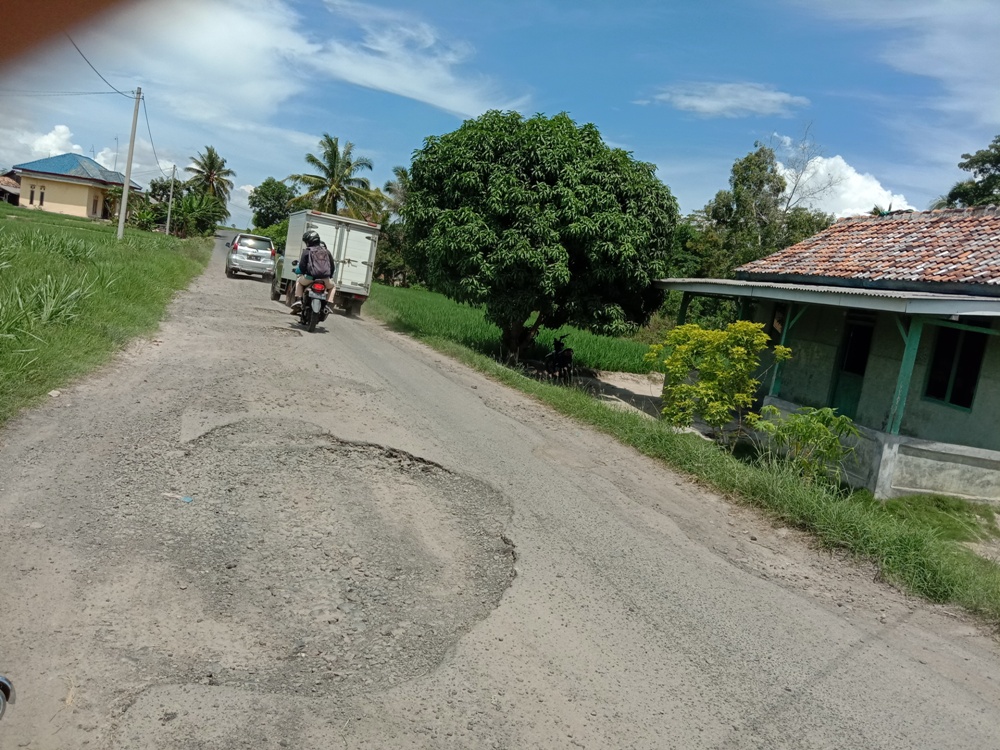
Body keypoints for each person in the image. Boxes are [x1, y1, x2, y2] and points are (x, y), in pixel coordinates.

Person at [290, 229, 336, 314]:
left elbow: (302, 266)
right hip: (324, 279)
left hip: (310, 277)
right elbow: (332, 267)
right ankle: (328, 304)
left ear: (308, 241)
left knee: (299, 282)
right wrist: (330, 276)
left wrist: (300, 272)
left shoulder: (307, 251)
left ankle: (299, 300)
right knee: (333, 287)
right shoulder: (327, 251)